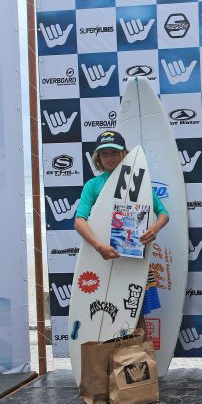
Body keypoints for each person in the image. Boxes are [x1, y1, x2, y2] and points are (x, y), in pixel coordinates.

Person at [74, 130, 169, 317]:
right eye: (104, 153)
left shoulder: (138, 183)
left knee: (136, 313)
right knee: (106, 312)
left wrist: (154, 228)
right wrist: (98, 246)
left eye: (114, 152)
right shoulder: (93, 185)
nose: (109, 158)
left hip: (134, 255)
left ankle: (140, 348)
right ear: (98, 158)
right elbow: (79, 221)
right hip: (104, 256)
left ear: (123, 154)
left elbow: (163, 213)